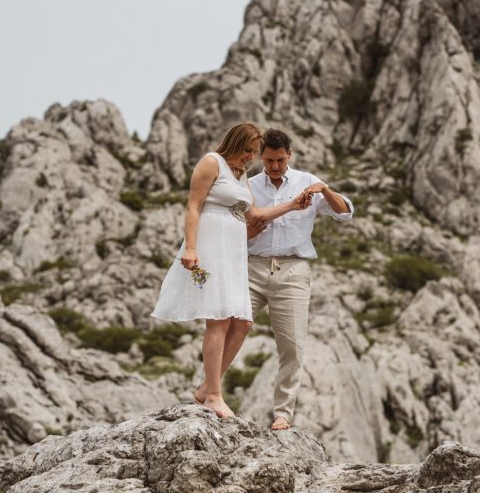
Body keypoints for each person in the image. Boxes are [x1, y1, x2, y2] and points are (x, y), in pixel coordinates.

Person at [151, 122, 312, 419]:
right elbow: (193, 207)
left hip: (233, 254)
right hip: (208, 252)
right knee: (219, 318)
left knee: (242, 322)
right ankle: (213, 395)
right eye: (248, 151)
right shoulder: (211, 163)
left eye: (254, 153)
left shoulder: (240, 177)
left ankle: (205, 389)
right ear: (235, 144)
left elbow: (257, 214)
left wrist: (293, 205)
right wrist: (190, 247)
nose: (251, 157)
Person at [246, 129, 354, 430]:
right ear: (261, 157)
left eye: (280, 160)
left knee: (292, 345)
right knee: (230, 328)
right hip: (252, 267)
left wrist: (324, 190)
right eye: (269, 160)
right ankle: (212, 393)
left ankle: (282, 413)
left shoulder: (308, 182)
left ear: (289, 155)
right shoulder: (250, 185)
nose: (275, 166)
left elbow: (345, 213)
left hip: (293, 271)